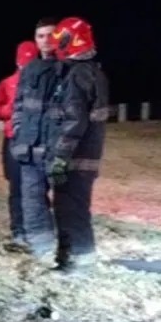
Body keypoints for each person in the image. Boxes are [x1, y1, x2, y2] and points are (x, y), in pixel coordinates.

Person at [43, 16, 109, 274]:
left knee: (72, 209)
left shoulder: (78, 75)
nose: (56, 45)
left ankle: (80, 261)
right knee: (71, 207)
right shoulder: (93, 73)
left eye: (60, 39)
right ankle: (69, 259)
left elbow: (73, 121)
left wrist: (60, 156)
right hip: (84, 157)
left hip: (75, 159)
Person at [10, 17, 61, 262]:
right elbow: (18, 106)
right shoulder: (29, 70)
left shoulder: (70, 69)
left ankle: (66, 246)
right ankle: (41, 247)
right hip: (29, 146)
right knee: (32, 199)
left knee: (64, 200)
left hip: (57, 147)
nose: (45, 41)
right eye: (40, 36)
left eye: (50, 35)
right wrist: (19, 133)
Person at [0, 40, 39, 248]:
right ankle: (18, 230)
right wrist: (12, 111)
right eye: (22, 63)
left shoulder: (44, 83)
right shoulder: (7, 83)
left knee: (37, 187)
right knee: (17, 187)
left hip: (36, 141)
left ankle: (38, 229)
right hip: (13, 140)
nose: (25, 67)